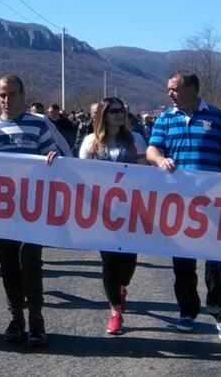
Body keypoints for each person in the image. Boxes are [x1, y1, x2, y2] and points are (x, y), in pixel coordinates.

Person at [146, 71, 221, 343]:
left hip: (213, 202)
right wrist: (159, 160)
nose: (169, 94)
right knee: (182, 262)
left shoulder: (218, 117)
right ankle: (187, 311)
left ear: (193, 88)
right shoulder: (165, 118)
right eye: (168, 89)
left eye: (175, 89)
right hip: (179, 202)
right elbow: (152, 149)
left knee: (219, 263)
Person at [0, 74, 60, 347]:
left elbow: (52, 159)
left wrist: (53, 160)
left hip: (33, 209)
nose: (6, 100)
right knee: (8, 266)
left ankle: (36, 318)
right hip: (2, 211)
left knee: (30, 263)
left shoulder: (39, 125)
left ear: (23, 95)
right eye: (2, 95)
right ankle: (16, 318)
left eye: (11, 94)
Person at [78, 97, 147, 335]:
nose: (119, 114)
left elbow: (146, 172)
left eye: (122, 110)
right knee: (108, 262)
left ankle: (122, 286)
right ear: (104, 115)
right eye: (114, 111)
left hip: (131, 211)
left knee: (128, 263)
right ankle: (115, 312)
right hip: (103, 212)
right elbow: (82, 174)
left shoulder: (136, 140)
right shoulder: (91, 142)